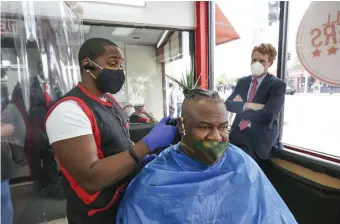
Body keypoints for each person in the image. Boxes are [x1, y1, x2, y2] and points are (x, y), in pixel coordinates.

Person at [45, 38, 177, 224]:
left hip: (124, 204)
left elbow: (119, 145)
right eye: (112, 63)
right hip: (97, 214)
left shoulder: (111, 102)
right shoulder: (69, 110)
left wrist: (141, 160)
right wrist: (145, 147)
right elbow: (91, 179)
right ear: (87, 65)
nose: (118, 71)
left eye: (120, 65)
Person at [116, 88, 297, 224]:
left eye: (223, 127)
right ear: (181, 126)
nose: (216, 137)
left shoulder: (242, 164)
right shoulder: (153, 181)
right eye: (204, 127)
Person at [226, 43, 286, 162]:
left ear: (270, 63)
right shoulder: (243, 82)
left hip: (259, 139)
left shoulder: (277, 85)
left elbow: (268, 116)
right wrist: (248, 105)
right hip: (238, 133)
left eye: (262, 61)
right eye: (254, 60)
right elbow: (228, 104)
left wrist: (241, 107)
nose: (256, 63)